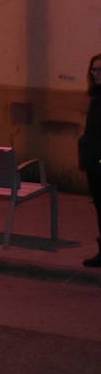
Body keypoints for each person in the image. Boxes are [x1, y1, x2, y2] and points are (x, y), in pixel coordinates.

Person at [80, 53, 101, 268]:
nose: (95, 74)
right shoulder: (96, 97)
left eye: (100, 70)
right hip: (95, 162)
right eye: (93, 70)